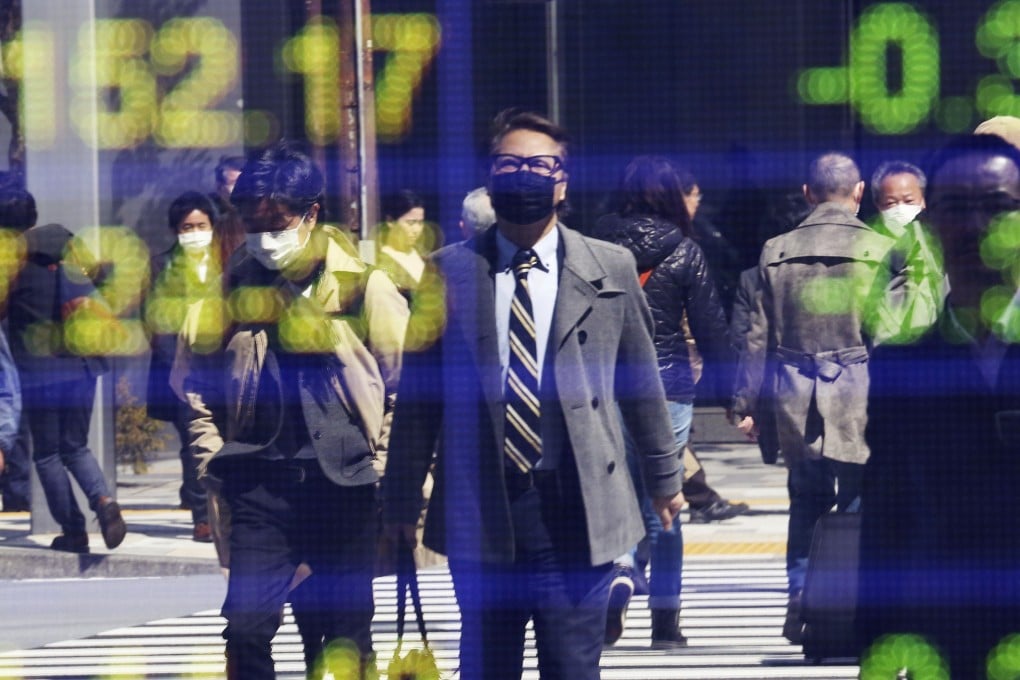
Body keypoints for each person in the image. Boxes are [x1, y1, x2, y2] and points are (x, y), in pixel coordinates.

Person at [383, 110, 685, 680]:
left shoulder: (610, 266)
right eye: (510, 164)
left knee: (572, 667)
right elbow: (421, 400)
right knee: (488, 665)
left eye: (540, 165)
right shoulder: (448, 273)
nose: (525, 176)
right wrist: (400, 501)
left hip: (579, 505)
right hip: (483, 509)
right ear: (490, 177)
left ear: (563, 180)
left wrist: (666, 478)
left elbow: (641, 384)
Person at [176, 141, 408, 679]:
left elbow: (405, 388)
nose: (264, 238)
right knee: (246, 626)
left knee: (346, 630)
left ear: (311, 215)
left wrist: (384, 467)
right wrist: (213, 462)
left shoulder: (362, 286)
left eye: (276, 223)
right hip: (259, 482)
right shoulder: (228, 290)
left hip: (346, 482)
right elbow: (194, 389)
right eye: (253, 223)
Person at [858, 133, 1020, 678]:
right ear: (929, 226)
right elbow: (885, 523)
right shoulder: (901, 371)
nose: (976, 227)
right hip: (951, 644)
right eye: (956, 208)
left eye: (999, 207)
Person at [730, 152, 892, 644]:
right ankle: (852, 601)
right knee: (860, 501)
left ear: (807, 193)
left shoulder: (774, 250)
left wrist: (743, 402)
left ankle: (801, 599)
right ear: (859, 192)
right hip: (858, 397)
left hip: (795, 395)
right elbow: (887, 333)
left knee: (805, 502)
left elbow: (755, 336)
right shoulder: (881, 249)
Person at [591, 155, 738, 648]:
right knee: (665, 504)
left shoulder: (592, 247)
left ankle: (621, 573)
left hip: (604, 388)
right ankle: (665, 622)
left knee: (615, 496)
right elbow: (712, 326)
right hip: (668, 388)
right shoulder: (685, 251)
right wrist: (734, 395)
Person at [1, 186, 125, 553]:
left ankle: (73, 531)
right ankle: (103, 502)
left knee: (48, 454)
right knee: (76, 446)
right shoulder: (68, 243)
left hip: (40, 372)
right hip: (83, 365)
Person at [145, 190, 244, 542]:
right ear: (176, 230)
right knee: (193, 442)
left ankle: (226, 509)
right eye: (188, 226)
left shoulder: (229, 260)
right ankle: (202, 516)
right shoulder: (161, 265)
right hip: (182, 367)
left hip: (223, 363)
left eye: (201, 225)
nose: (195, 232)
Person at [728, 191, 812, 465]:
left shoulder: (752, 278)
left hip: (774, 391)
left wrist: (745, 402)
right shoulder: (827, 272)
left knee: (801, 479)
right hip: (823, 385)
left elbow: (743, 340)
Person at [866, 161, 944, 345]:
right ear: (878, 204)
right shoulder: (869, 248)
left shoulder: (938, 242)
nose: (901, 208)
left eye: (909, 201)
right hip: (887, 349)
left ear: (924, 200)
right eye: (891, 203)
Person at [376, 189, 428, 295]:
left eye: (420, 223)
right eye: (410, 223)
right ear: (390, 221)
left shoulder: (424, 254)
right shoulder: (382, 263)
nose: (416, 230)